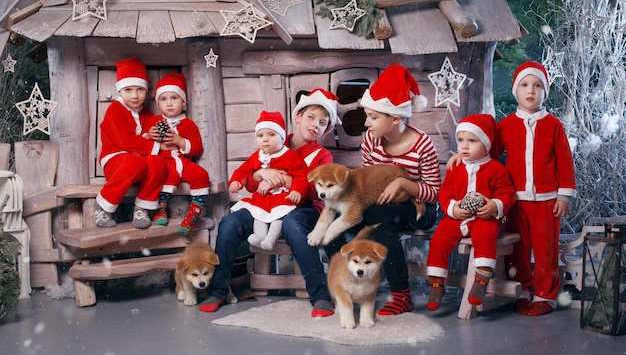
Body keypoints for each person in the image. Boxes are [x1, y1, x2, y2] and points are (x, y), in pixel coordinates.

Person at [200, 89, 341, 317]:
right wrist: (259, 176)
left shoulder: (322, 155)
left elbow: (318, 191)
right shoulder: (272, 138)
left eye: (323, 123)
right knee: (229, 223)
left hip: (301, 209)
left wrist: (286, 179)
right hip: (265, 206)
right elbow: (251, 179)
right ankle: (219, 290)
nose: (315, 125)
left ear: (327, 129)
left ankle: (320, 295)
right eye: (310, 117)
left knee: (293, 225)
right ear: (298, 117)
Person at [325, 64, 441, 316]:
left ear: (396, 118)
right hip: (380, 208)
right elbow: (368, 184)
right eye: (367, 115)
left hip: (420, 209)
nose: (367, 123)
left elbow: (434, 193)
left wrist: (402, 183)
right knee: (333, 220)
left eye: (374, 117)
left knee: (379, 220)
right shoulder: (370, 140)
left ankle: (401, 294)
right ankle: (345, 282)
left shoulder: (422, 144)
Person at [495, 61, 576, 316]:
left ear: (545, 91)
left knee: (545, 251)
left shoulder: (553, 125)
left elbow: (565, 162)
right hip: (516, 202)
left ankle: (544, 296)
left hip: (547, 201)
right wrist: (463, 158)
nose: (531, 90)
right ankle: (521, 292)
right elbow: (489, 156)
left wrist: (564, 195)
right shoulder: (505, 126)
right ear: (515, 91)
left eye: (538, 85)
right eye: (525, 85)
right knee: (518, 251)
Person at [426, 114, 515, 311]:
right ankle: (436, 284)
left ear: (486, 144)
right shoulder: (455, 166)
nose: (464, 146)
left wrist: (494, 205)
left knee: (485, 235)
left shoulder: (496, 169)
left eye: (472, 141)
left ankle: (480, 282)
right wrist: (453, 209)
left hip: (484, 217)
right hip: (457, 218)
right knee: (439, 239)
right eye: (461, 140)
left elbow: (507, 193)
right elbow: (445, 193)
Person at [94, 57, 167, 229]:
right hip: (116, 161)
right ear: (120, 91)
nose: (134, 95)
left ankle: (142, 207)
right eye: (128, 89)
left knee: (157, 161)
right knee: (135, 163)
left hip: (138, 163)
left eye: (140, 89)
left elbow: (153, 133)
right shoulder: (115, 110)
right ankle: (103, 207)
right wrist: (154, 144)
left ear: (146, 91)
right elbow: (124, 141)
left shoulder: (146, 114)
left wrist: (157, 133)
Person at [228, 111, 309, 250]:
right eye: (260, 135)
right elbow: (243, 170)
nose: (265, 139)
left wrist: (297, 190)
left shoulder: (290, 156)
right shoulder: (256, 156)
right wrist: (237, 181)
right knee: (258, 214)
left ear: (282, 138)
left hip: (282, 197)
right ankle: (260, 236)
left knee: (279, 216)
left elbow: (302, 175)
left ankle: (270, 239)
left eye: (271, 135)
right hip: (263, 198)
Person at [145, 72, 210, 236]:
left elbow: (196, 148)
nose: (169, 103)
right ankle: (159, 210)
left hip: (183, 161)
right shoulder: (154, 121)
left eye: (174, 98)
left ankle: (192, 216)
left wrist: (181, 141)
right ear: (158, 104)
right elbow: (142, 145)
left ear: (183, 102)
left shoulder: (189, 124)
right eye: (163, 99)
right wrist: (148, 136)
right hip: (164, 162)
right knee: (169, 176)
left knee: (201, 175)